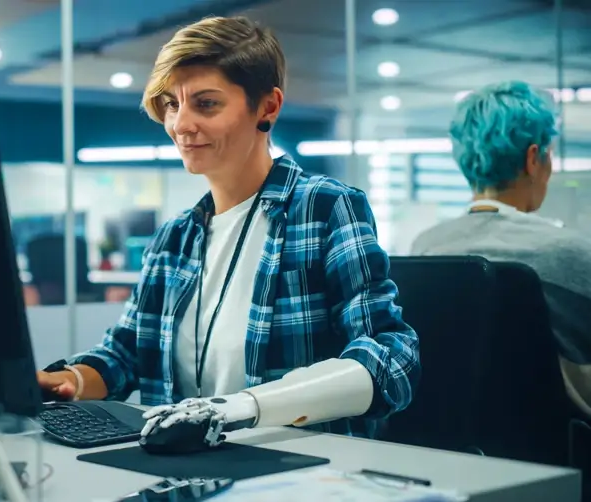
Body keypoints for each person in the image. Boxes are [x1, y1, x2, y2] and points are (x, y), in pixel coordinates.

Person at [37, 15, 420, 446]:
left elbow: (390, 358)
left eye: (206, 103)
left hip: (298, 468)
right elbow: (124, 355)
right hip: (180, 470)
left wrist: (243, 407)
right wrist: (68, 380)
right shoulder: (174, 238)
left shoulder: (324, 208)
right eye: (172, 104)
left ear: (268, 108)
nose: (181, 124)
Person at [411, 80, 591, 417]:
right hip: (562, 454)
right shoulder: (573, 254)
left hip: (453, 449)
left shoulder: (426, 248)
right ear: (533, 158)